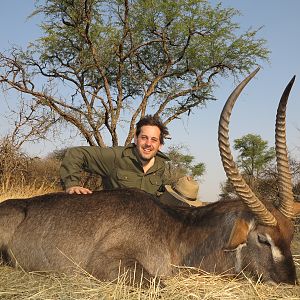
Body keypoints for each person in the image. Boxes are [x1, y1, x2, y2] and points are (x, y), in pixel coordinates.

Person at [60, 115, 170, 195]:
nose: (148, 144)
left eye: (154, 140)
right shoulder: (116, 156)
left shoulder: (160, 165)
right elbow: (76, 153)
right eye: (144, 138)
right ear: (136, 139)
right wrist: (71, 185)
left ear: (160, 145)